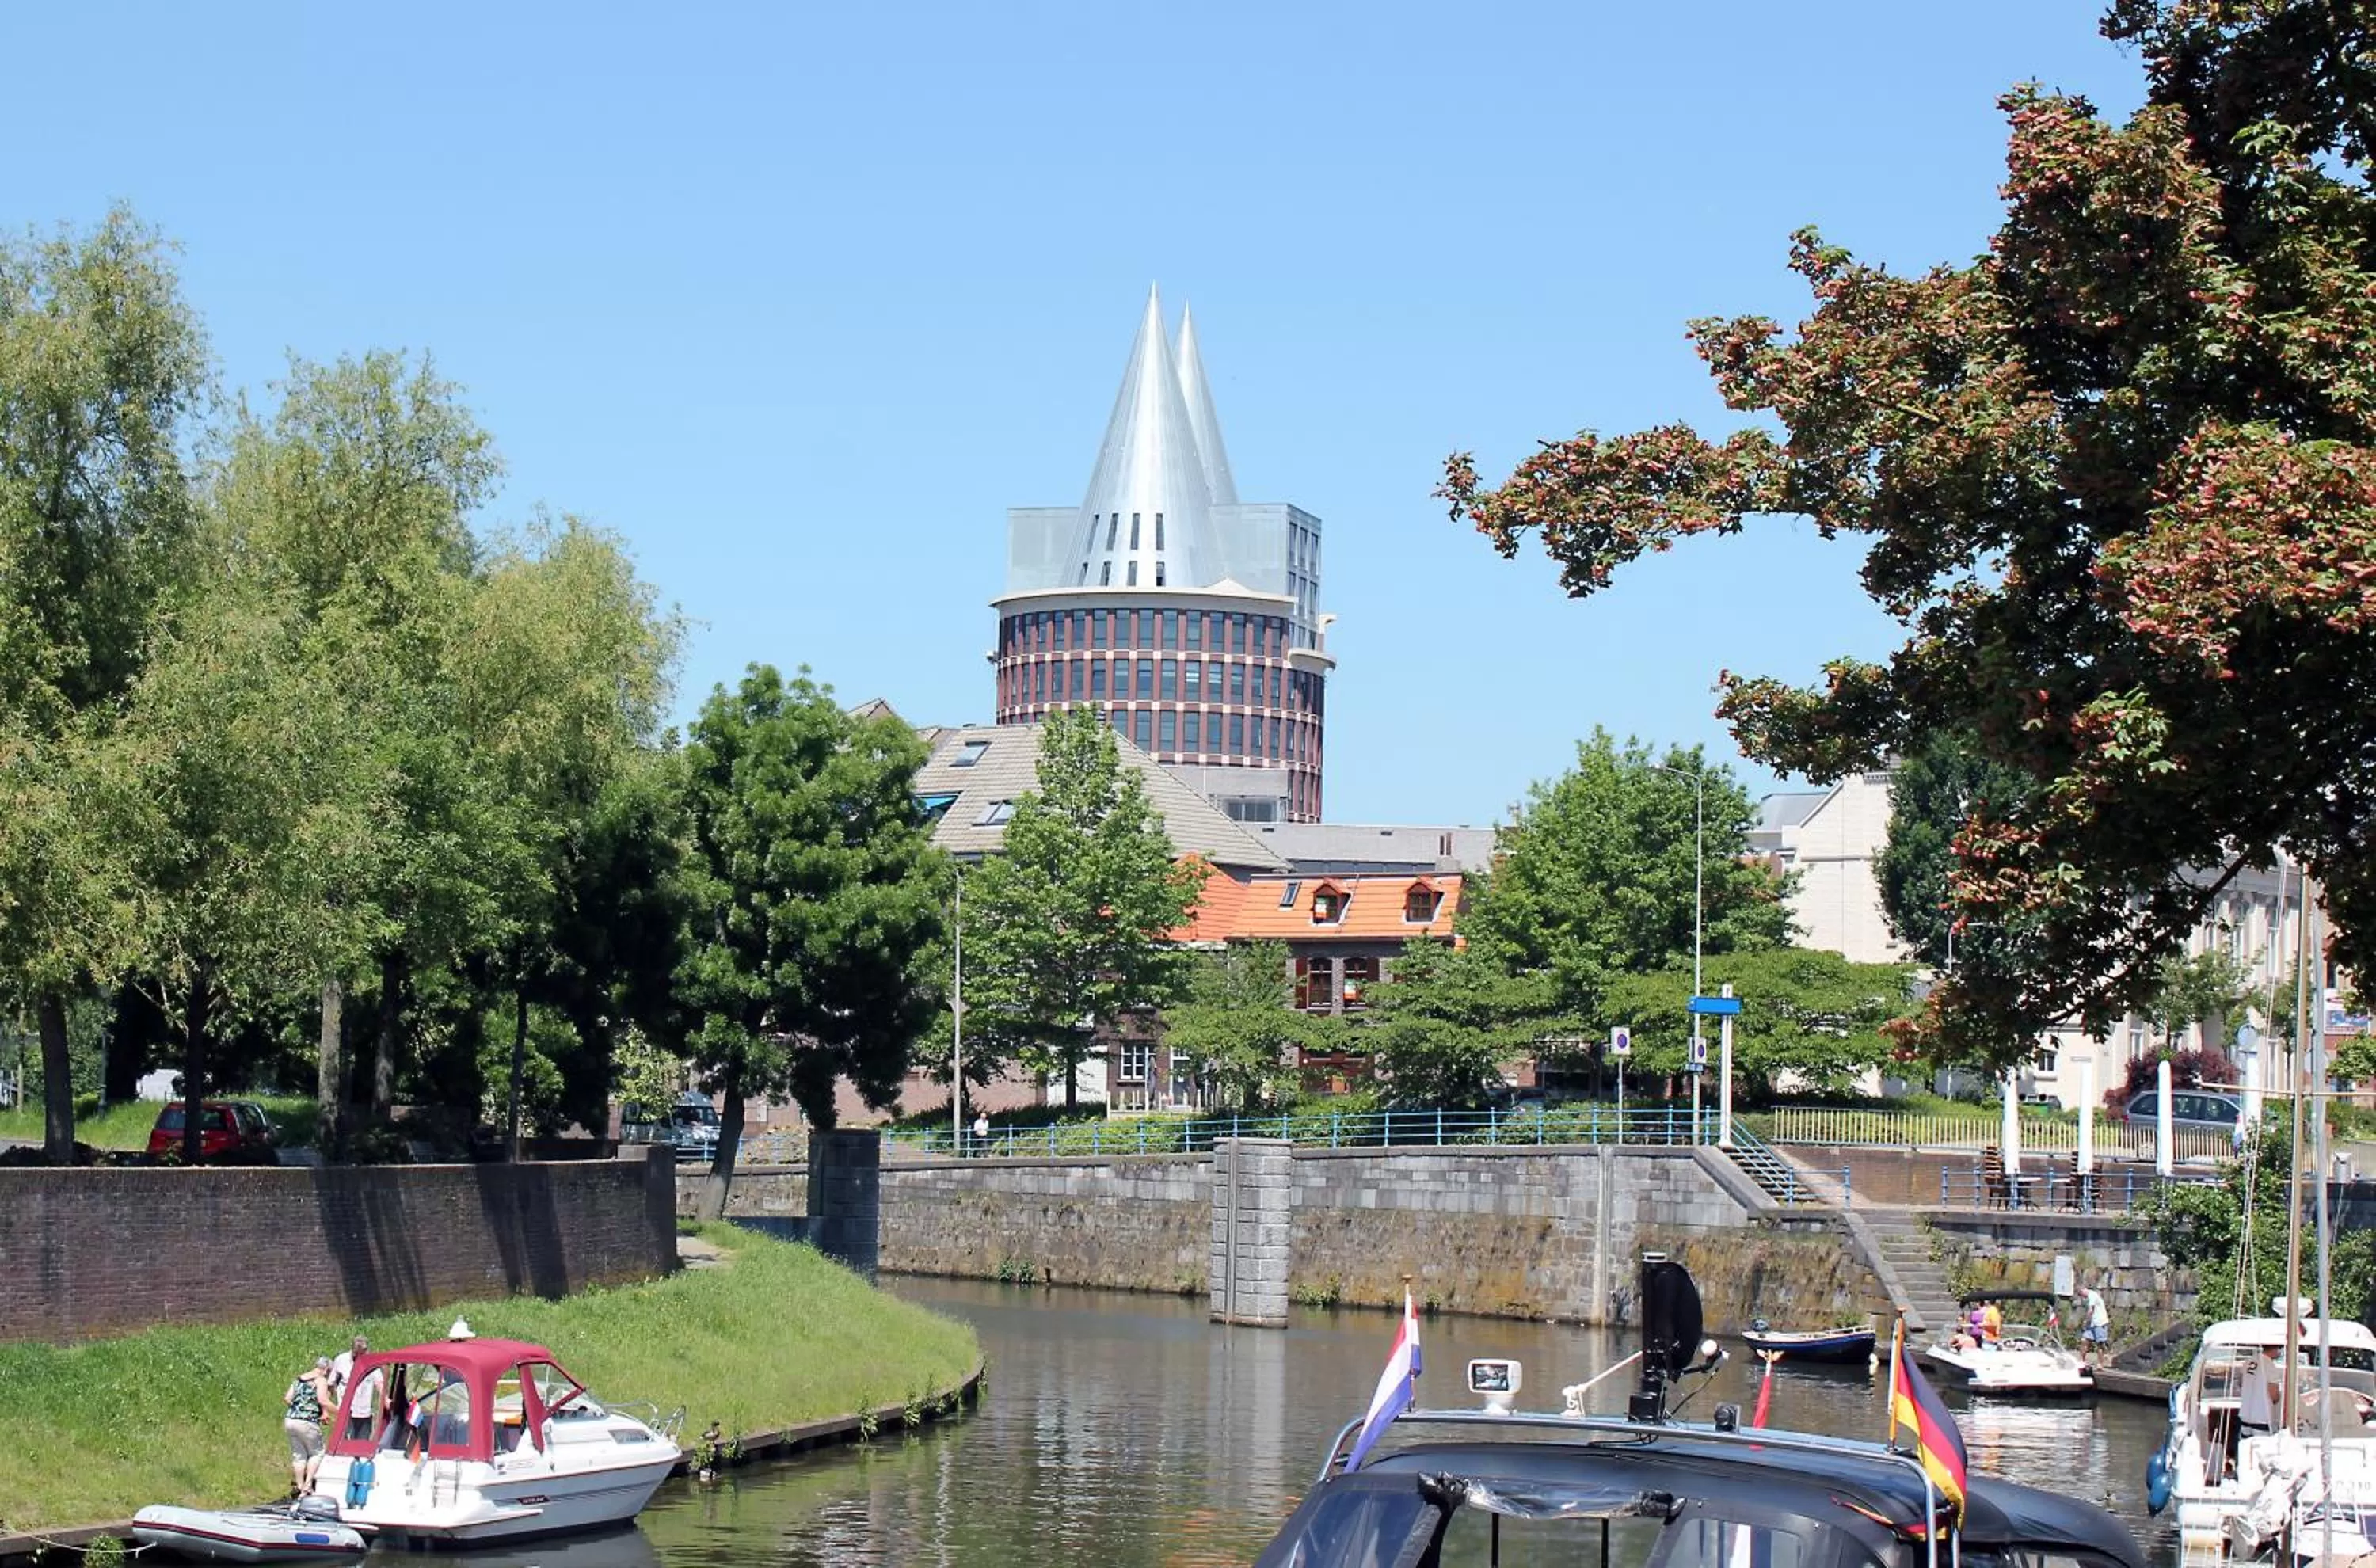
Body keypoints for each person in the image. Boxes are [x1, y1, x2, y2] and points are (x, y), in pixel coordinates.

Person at [284, 1356, 335, 1497]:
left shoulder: (300, 1378)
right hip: (308, 1422)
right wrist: (340, 1411)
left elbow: (288, 1398)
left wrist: (299, 1408)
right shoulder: (320, 1380)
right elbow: (323, 1400)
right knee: (317, 1452)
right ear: (326, 1369)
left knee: (299, 1455)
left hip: (291, 1420)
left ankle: (299, 1486)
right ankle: (307, 1487)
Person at [2079, 1284, 2111, 1368]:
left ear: (2084, 1289)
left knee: (2100, 1343)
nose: (2082, 1296)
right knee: (2084, 1340)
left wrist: (2085, 1321)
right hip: (2093, 1323)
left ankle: (2100, 1363)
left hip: (2100, 1322)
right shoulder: (2088, 1298)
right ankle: (2082, 1361)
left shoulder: (2092, 1295)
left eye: (2081, 1293)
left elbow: (2090, 1310)